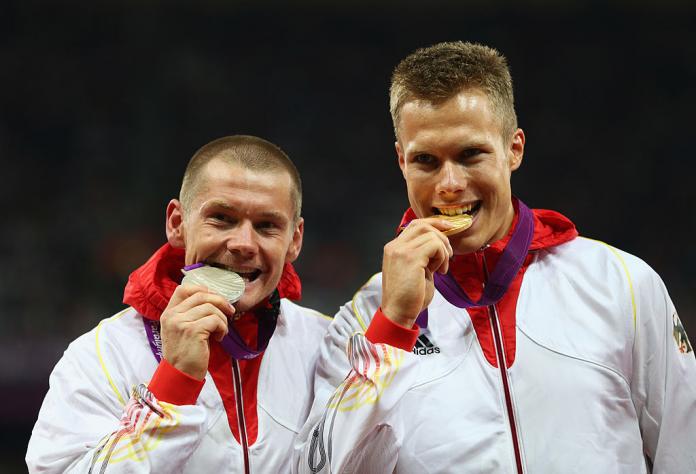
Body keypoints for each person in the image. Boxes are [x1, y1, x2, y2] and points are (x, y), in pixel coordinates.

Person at [294, 42, 696, 473]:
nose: (449, 183)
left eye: (470, 155)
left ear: (513, 149)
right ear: (401, 161)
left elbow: (685, 447)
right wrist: (393, 327)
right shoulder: (363, 321)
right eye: (426, 160)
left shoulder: (621, 285)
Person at [27, 135, 331, 473]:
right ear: (177, 223)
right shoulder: (101, 356)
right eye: (221, 218)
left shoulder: (329, 347)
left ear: (295, 240)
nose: (244, 243)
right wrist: (173, 386)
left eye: (266, 226)